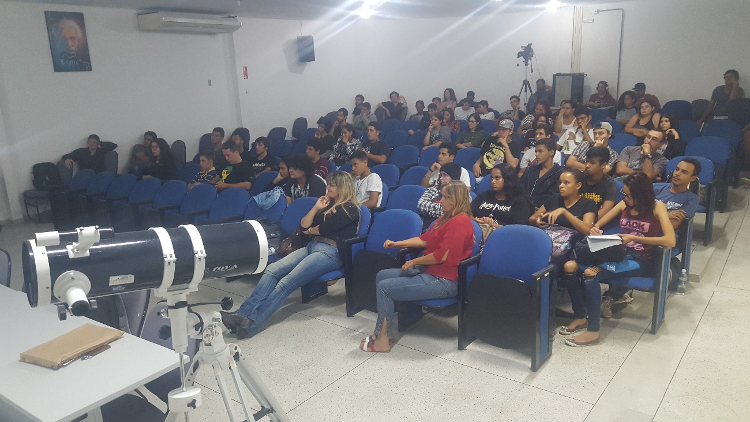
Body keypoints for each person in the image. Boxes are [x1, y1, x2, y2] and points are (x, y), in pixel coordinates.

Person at [222, 171, 361, 339]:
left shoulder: (351, 208)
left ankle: (251, 323)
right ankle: (242, 314)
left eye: (332, 184)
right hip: (312, 246)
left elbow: (324, 229)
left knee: (286, 283)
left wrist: (312, 230)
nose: (328, 187)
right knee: (272, 270)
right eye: (329, 183)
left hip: (330, 252)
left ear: (343, 187)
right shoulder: (327, 206)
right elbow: (304, 225)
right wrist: (316, 207)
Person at [562, 172, 675, 346]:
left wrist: (634, 238)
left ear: (641, 195)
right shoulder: (624, 204)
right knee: (570, 266)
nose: (625, 198)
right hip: (617, 252)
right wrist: (596, 229)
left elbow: (670, 240)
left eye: (629, 195)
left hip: (640, 260)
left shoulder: (657, 207)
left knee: (591, 274)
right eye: (624, 194)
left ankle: (593, 331)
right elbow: (599, 222)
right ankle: (580, 317)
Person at [360, 180, 474, 352]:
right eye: (441, 196)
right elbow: (424, 239)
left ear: (456, 199)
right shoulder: (445, 218)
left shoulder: (460, 222)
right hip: (430, 272)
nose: (440, 201)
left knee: (385, 287)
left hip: (444, 281)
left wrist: (414, 261)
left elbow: (442, 256)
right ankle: (387, 330)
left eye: (445, 197)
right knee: (382, 275)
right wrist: (396, 244)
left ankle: (382, 339)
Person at [530, 169, 597, 262]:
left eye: (566, 183)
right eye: (560, 182)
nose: (561, 186)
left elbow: (587, 231)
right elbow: (532, 218)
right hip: (548, 241)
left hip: (570, 248)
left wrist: (564, 212)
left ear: (578, 185)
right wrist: (538, 221)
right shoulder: (554, 198)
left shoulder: (588, 204)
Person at [471, 163, 534, 229]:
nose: (493, 181)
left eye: (497, 178)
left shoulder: (520, 201)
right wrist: (478, 220)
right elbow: (467, 213)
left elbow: (517, 229)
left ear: (508, 179)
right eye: (492, 178)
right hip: (478, 231)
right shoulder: (484, 195)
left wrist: (493, 225)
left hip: (503, 235)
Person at [657, 157, 700, 230]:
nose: (677, 173)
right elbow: (636, 213)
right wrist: (666, 215)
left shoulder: (691, 199)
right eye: (677, 169)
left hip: (664, 238)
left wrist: (650, 215)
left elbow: (672, 224)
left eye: (684, 172)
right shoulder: (656, 189)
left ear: (693, 178)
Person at [519, 137, 563, 208]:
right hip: (524, 207)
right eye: (536, 151)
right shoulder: (530, 170)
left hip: (546, 211)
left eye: (540, 151)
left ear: (551, 152)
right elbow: (520, 188)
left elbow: (554, 197)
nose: (536, 154)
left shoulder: (560, 173)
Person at [580, 147, 618, 219]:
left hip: (593, 221)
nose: (587, 165)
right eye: (586, 161)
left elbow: (605, 210)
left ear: (603, 165)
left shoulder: (610, 184)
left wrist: (586, 221)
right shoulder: (578, 178)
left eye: (592, 162)